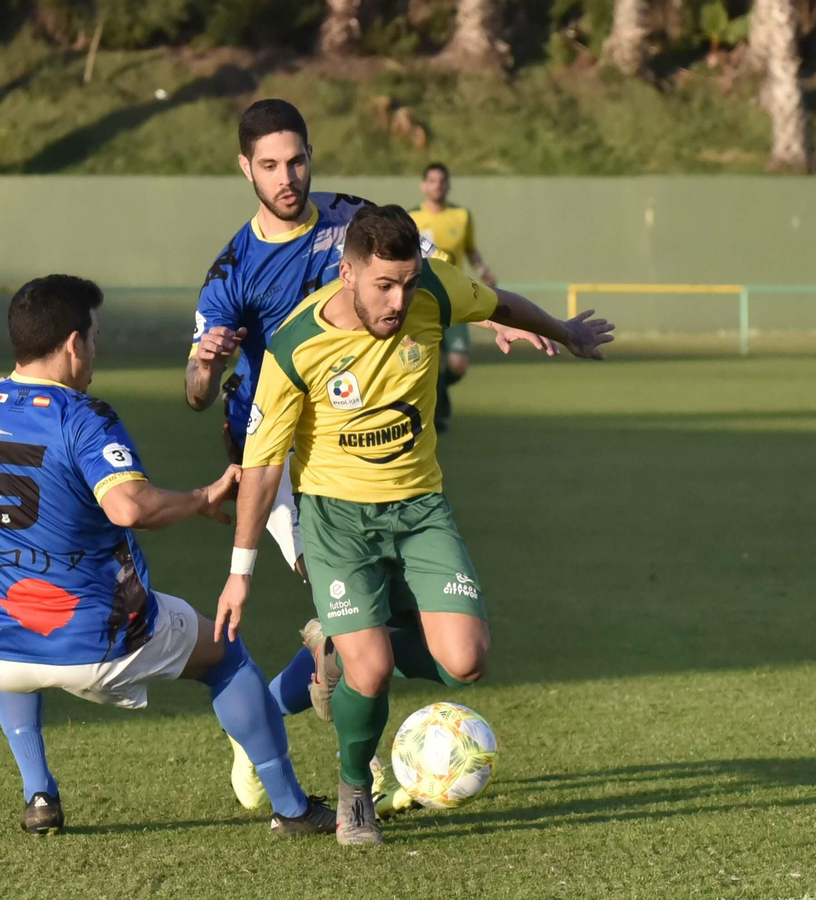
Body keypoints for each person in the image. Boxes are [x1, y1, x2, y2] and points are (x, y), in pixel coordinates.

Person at [186, 99, 550, 810]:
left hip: (364, 444)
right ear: (245, 168)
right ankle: (367, 765)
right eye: (269, 165)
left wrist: (485, 315)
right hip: (284, 455)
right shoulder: (233, 269)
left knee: (357, 629)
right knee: (350, 625)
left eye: (297, 160)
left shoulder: (352, 219)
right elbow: (198, 393)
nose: (287, 177)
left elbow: (431, 275)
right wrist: (203, 365)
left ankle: (268, 712)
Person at [214, 205, 615, 844]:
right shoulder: (296, 345)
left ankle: (340, 649)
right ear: (347, 274)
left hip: (421, 509)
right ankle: (353, 796)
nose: (399, 300)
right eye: (384, 285)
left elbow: (500, 303)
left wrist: (564, 331)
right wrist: (240, 574)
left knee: (466, 661)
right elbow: (262, 470)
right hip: (337, 521)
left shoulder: (433, 289)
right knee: (369, 670)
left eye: (407, 282)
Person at [0, 274, 336, 838]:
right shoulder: (83, 417)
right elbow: (129, 507)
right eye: (94, 336)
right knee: (226, 654)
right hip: (103, 640)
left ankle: (39, 795)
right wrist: (202, 497)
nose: (96, 348)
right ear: (73, 344)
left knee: (2, 636)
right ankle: (292, 809)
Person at [409, 163, 534, 434]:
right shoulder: (411, 218)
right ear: (423, 185)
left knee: (457, 364)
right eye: (431, 180)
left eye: (442, 180)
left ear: (448, 184)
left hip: (455, 296)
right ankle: (436, 413)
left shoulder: (461, 216)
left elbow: (471, 251)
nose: (437, 185)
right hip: (423, 299)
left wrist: (483, 271)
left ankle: (439, 390)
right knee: (427, 359)